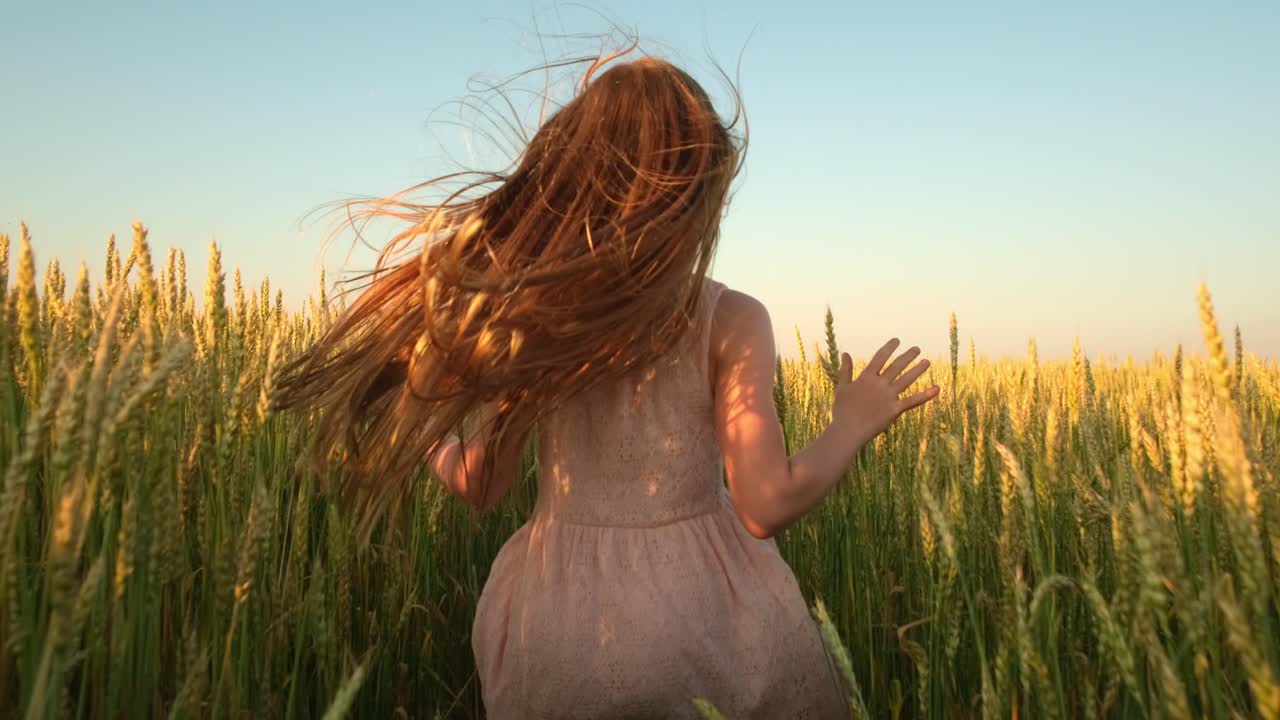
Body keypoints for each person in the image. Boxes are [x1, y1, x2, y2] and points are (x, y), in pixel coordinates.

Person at [274, 44, 938, 719]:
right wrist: (852, 421)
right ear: (699, 195)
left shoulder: (537, 317)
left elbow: (481, 482)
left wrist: (425, 439)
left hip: (556, 626)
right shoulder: (732, 319)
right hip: (704, 620)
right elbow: (764, 504)